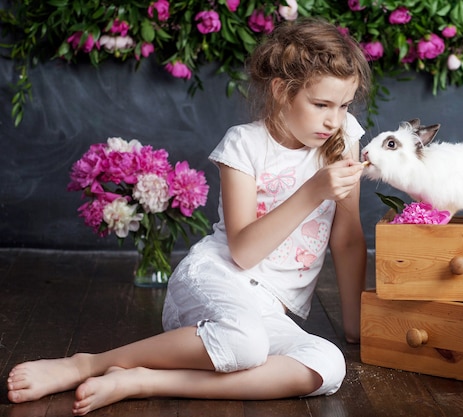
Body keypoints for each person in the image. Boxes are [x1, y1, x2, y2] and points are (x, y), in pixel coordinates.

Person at [6, 17, 371, 416]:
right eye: (321, 105)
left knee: (327, 365)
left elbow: (347, 234)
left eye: (344, 105)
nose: (333, 119)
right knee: (244, 343)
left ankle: (141, 380)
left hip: (267, 309)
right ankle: (85, 364)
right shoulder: (244, 145)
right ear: (282, 90)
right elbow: (244, 251)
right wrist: (314, 190)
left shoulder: (343, 138)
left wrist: (354, 326)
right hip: (217, 279)